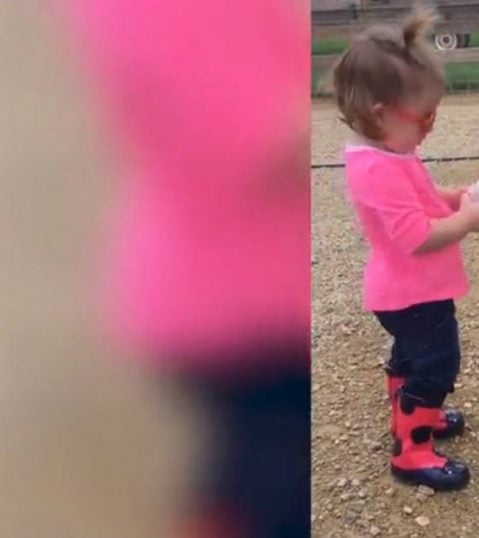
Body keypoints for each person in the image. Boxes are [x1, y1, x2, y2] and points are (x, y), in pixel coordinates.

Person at [61, 1, 311, 536]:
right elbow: (253, 139)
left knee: (247, 481)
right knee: (273, 486)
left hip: (230, 288)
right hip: (245, 302)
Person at [333, 8, 479, 491]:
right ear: (382, 112)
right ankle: (413, 449)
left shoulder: (389, 153)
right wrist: (466, 220)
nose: (431, 126)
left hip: (408, 292)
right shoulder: (377, 168)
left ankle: (410, 414)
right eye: (424, 116)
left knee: (413, 356)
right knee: (437, 363)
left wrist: (448, 198)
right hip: (412, 291)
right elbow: (415, 236)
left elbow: (418, 199)